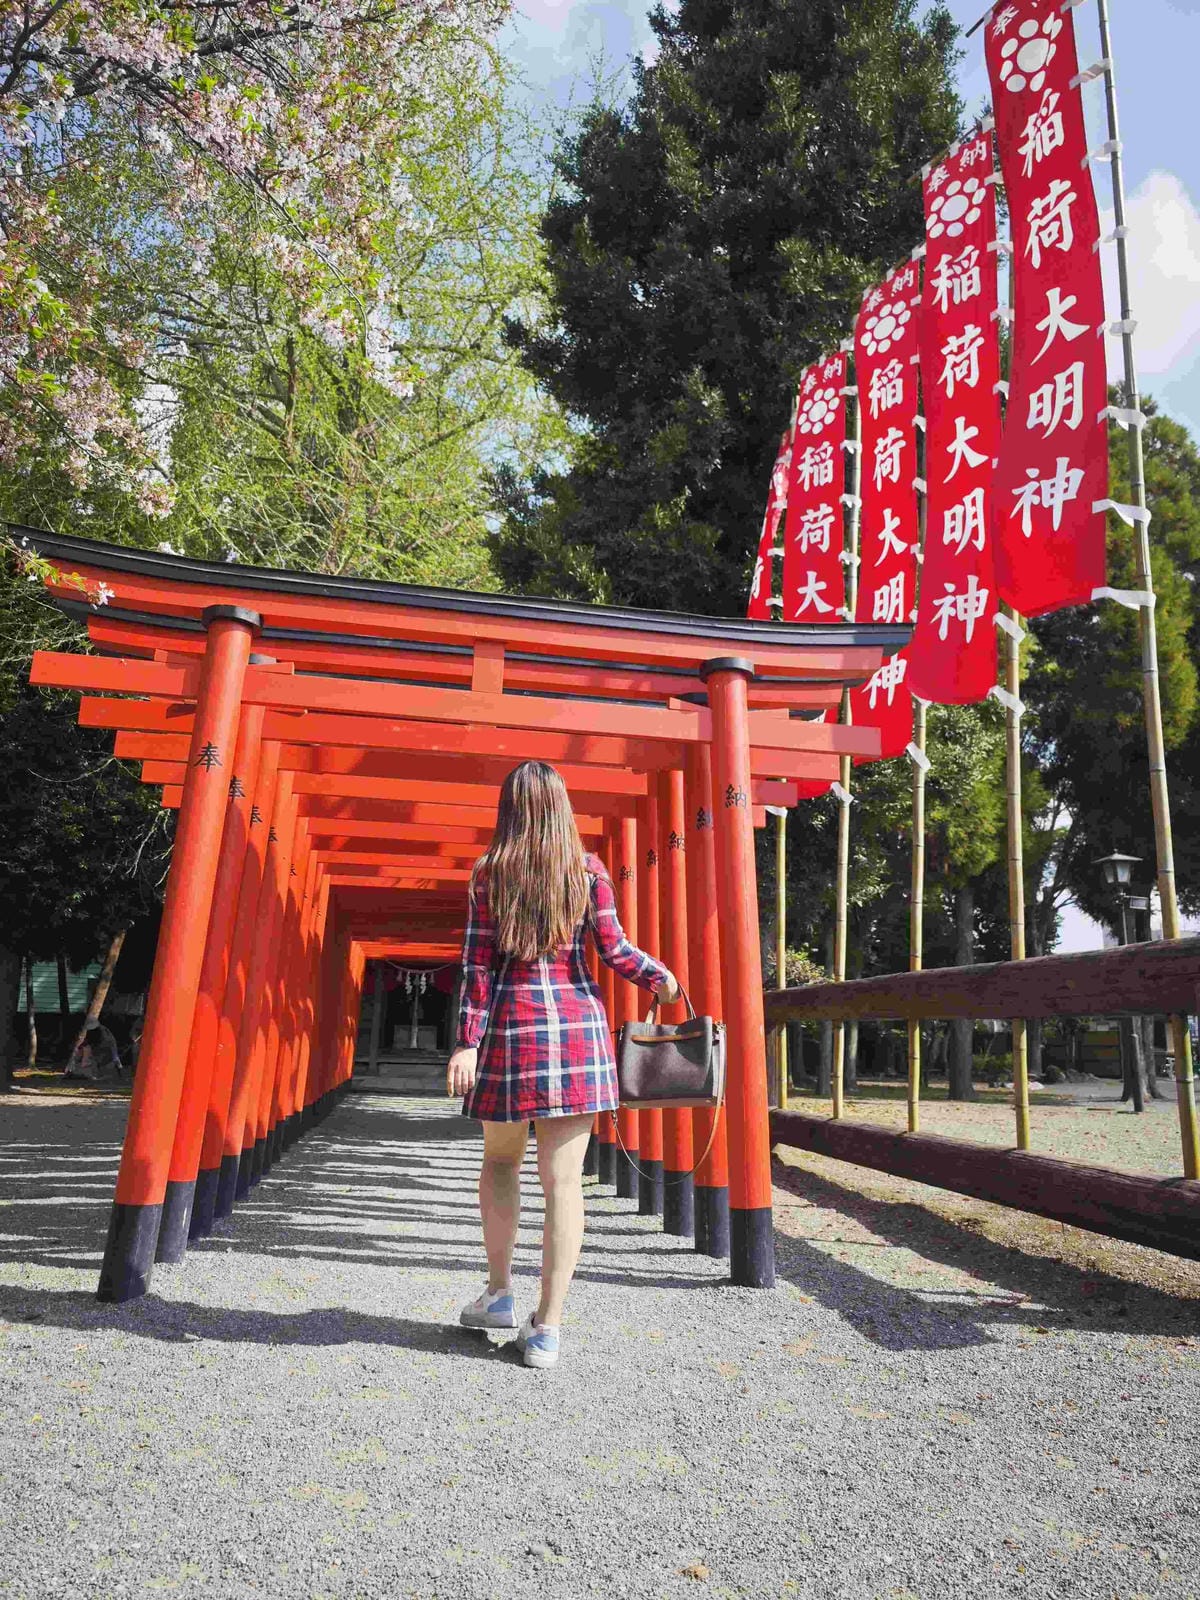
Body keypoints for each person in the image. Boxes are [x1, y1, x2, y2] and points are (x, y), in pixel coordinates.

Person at [447, 760, 679, 1370]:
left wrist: (467, 1042)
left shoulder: (488, 873)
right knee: (564, 1184)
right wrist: (661, 978)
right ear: (561, 808)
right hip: (577, 1036)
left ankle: (500, 1294)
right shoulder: (588, 871)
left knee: (501, 1162)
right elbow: (615, 949)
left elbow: (476, 967)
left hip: (510, 1034)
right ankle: (547, 1329)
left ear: (509, 808)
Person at [65, 1017, 123, 1083]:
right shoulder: (98, 1032)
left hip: (105, 1055)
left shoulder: (103, 1033)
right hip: (103, 1055)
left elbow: (107, 1046)